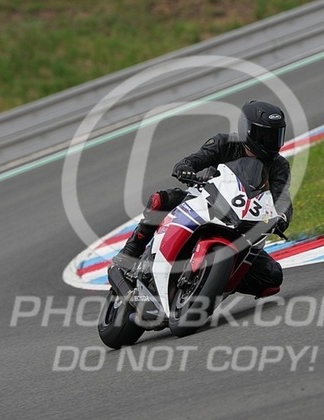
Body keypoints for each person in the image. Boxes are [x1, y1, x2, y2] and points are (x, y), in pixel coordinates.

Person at [112, 100, 293, 298]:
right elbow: (198, 158)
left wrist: (281, 218)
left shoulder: (279, 166)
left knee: (272, 277)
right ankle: (130, 252)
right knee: (161, 200)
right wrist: (186, 167)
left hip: (244, 222)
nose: (271, 143)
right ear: (247, 130)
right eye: (265, 136)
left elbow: (282, 198)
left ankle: (214, 281)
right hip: (206, 201)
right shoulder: (225, 143)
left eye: (276, 136)